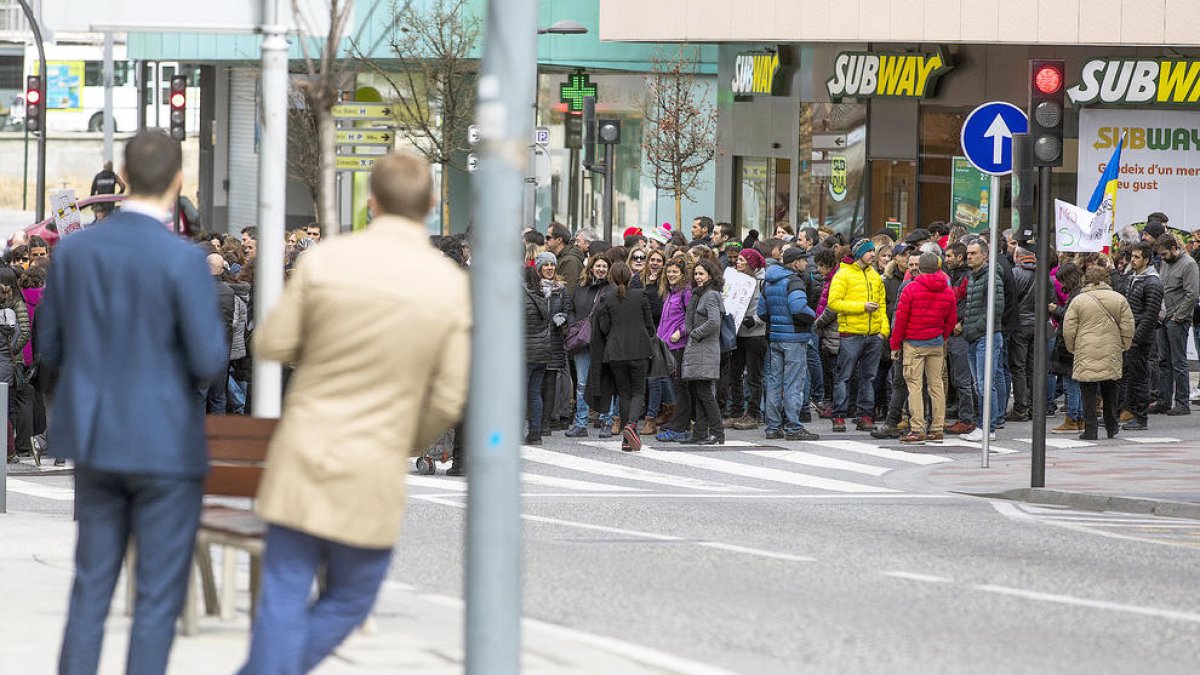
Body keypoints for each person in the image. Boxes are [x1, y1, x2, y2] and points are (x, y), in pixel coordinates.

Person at [239, 151, 469, 673]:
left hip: (304, 448)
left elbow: (271, 342)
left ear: (371, 202)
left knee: (282, 591)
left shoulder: (325, 260)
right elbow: (450, 394)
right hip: (376, 456)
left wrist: (322, 350)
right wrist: (410, 440)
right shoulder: (448, 284)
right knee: (351, 596)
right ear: (431, 204)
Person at [42, 130, 228, 674]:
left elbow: (49, 347)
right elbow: (207, 359)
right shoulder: (184, 259)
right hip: (166, 441)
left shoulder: (74, 252)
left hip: (96, 435)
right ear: (177, 181)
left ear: (120, 178)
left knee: (91, 585)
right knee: (156, 595)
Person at [889, 252, 957, 445]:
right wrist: (941, 337)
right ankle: (937, 428)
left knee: (915, 387)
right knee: (936, 386)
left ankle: (918, 428)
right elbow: (951, 320)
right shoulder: (947, 290)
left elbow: (900, 320)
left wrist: (895, 344)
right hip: (936, 342)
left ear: (920, 268)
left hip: (914, 342)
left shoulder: (911, 289)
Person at [1064, 266, 1135, 440]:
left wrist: (1072, 347)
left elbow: (1069, 328)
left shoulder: (1079, 301)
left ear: (1085, 280)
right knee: (1110, 389)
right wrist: (1124, 345)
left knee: (1088, 391)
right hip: (1111, 348)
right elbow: (1128, 326)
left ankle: (1091, 429)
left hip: (1085, 348)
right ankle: (1112, 426)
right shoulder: (1119, 299)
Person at [826, 238, 889, 432]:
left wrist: (883, 331)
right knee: (844, 376)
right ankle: (839, 416)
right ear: (860, 253)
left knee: (868, 377)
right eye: (869, 251)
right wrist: (862, 307)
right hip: (851, 333)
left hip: (873, 335)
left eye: (873, 252)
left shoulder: (875, 276)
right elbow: (833, 303)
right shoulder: (843, 274)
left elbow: (882, 306)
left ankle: (864, 416)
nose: (873, 255)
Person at [591, 262, 655, 451]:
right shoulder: (640, 295)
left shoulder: (607, 298)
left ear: (611, 277)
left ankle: (627, 440)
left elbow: (603, 328)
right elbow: (650, 325)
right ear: (629, 277)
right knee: (638, 391)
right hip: (639, 349)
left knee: (624, 393)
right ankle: (631, 426)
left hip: (615, 351)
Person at [757, 247, 819, 441]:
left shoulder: (769, 280)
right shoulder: (794, 281)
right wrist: (813, 316)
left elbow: (761, 312)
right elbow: (799, 308)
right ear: (795, 263)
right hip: (793, 338)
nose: (806, 264)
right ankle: (793, 426)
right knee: (793, 384)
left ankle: (773, 427)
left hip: (775, 337)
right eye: (803, 260)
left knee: (774, 383)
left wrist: (777, 320)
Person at [961, 238, 1005, 442]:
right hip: (975, 336)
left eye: (973, 253)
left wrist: (976, 328)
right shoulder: (975, 276)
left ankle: (987, 426)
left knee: (986, 383)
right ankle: (985, 425)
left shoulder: (990, 276)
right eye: (968, 253)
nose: (969, 256)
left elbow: (996, 308)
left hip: (984, 336)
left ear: (985, 255)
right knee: (981, 384)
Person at [564, 255, 613, 438]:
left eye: (604, 266)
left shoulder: (611, 288)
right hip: (581, 341)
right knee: (582, 383)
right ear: (591, 268)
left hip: (603, 341)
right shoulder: (581, 287)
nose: (601, 269)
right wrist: (572, 325)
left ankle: (606, 421)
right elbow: (570, 308)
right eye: (598, 266)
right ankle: (581, 423)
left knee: (605, 382)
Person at [1150, 234, 1199, 415]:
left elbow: (1192, 294)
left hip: (1177, 319)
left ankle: (1182, 402)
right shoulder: (1166, 263)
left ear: (1173, 248)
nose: (1161, 257)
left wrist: (1178, 317)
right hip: (1164, 318)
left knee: (1179, 362)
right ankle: (1164, 400)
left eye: (1164, 254)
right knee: (1164, 361)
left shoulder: (1189, 265)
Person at [680, 258, 726, 444]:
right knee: (700, 392)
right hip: (699, 349)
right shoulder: (699, 294)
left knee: (705, 393)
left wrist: (695, 334)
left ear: (710, 275)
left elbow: (714, 321)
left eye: (701, 274)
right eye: (696, 274)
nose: (698, 277)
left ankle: (717, 432)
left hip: (705, 348)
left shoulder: (710, 295)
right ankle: (699, 432)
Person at [1121, 242, 1163, 431]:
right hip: (1130, 333)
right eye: (1132, 256)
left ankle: (1140, 417)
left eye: (1137, 257)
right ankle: (1128, 412)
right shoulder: (1134, 277)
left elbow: (1150, 315)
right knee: (1128, 377)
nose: (1133, 260)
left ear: (1146, 259)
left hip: (1139, 337)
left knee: (1139, 378)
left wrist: (1136, 339)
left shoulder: (1152, 282)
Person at [653, 260, 694, 442]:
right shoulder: (670, 292)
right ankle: (679, 421)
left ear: (683, 274)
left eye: (675, 271)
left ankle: (681, 426)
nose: (671, 274)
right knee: (676, 386)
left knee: (681, 387)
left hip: (678, 345)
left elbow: (691, 318)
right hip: (666, 344)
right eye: (669, 271)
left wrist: (681, 332)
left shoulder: (686, 292)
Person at [728, 248, 768, 430]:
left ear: (751, 263)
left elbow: (769, 308)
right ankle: (736, 411)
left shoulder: (762, 282)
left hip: (755, 334)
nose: (738, 262)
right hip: (737, 332)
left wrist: (756, 320)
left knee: (753, 376)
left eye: (742, 260)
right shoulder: (736, 279)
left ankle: (753, 414)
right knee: (734, 374)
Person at [942, 242, 976, 435]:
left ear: (959, 257)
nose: (946, 260)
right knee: (959, 377)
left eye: (949, 256)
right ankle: (966, 416)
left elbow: (970, 303)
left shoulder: (966, 277)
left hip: (960, 332)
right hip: (953, 329)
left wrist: (961, 322)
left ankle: (967, 418)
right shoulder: (956, 275)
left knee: (962, 378)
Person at [546, 222, 586, 294]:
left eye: (548, 238)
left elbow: (569, 291)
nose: (546, 241)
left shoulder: (570, 261)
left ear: (559, 240)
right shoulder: (558, 257)